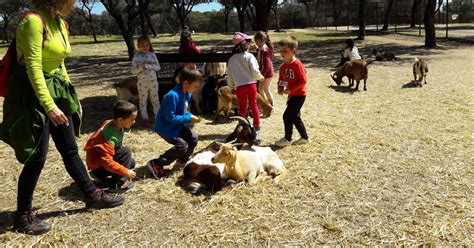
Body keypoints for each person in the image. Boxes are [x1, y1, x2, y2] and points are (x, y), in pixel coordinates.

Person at [0, 0, 124, 235]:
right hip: (31, 95)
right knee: (37, 157)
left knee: (69, 148)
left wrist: (71, 96)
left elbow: (60, 64)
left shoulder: (60, 23)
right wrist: (48, 106)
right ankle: (22, 215)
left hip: (56, 90)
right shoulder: (32, 22)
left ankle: (92, 195)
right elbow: (33, 67)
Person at [147, 68, 202, 179]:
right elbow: (170, 117)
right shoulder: (172, 96)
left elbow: (183, 110)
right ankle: (157, 163)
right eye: (195, 86)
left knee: (193, 138)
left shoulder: (187, 93)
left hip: (176, 126)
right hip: (166, 128)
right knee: (182, 146)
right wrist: (188, 118)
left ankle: (182, 160)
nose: (196, 89)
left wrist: (189, 116)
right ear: (186, 83)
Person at [84, 100, 137, 191]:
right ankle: (117, 184)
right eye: (132, 119)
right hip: (99, 166)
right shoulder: (109, 137)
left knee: (130, 162)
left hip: (101, 164)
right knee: (126, 152)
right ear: (120, 120)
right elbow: (107, 163)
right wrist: (125, 172)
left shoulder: (112, 123)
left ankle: (102, 178)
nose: (134, 122)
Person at [274, 36, 310, 148]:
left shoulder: (297, 65)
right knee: (295, 117)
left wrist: (291, 89)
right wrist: (280, 88)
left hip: (299, 95)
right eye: (280, 51)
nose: (282, 53)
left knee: (287, 116)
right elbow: (282, 79)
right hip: (291, 95)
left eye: (285, 51)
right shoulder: (283, 66)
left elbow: (303, 80)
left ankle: (287, 138)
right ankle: (304, 137)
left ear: (293, 50)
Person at [226, 32, 264, 131]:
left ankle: (241, 125)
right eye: (248, 41)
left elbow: (229, 76)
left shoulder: (231, 59)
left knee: (242, 107)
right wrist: (260, 77)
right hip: (251, 85)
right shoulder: (249, 56)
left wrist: (231, 87)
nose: (249, 43)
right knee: (253, 104)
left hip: (239, 86)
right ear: (244, 44)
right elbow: (255, 70)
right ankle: (257, 124)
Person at [131, 35, 161, 128]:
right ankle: (145, 118)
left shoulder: (152, 55)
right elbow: (133, 71)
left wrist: (152, 65)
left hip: (153, 81)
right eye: (142, 45)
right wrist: (141, 67)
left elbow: (158, 68)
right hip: (142, 83)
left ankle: (157, 118)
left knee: (155, 100)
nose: (145, 47)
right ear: (138, 46)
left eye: (147, 45)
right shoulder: (136, 57)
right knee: (143, 101)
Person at [254, 31, 275, 108]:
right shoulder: (262, 48)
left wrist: (262, 75)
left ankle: (270, 105)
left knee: (265, 89)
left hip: (267, 74)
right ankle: (266, 104)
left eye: (256, 42)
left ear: (259, 41)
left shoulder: (264, 50)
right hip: (266, 73)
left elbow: (267, 65)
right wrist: (257, 49)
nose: (256, 43)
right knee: (260, 88)